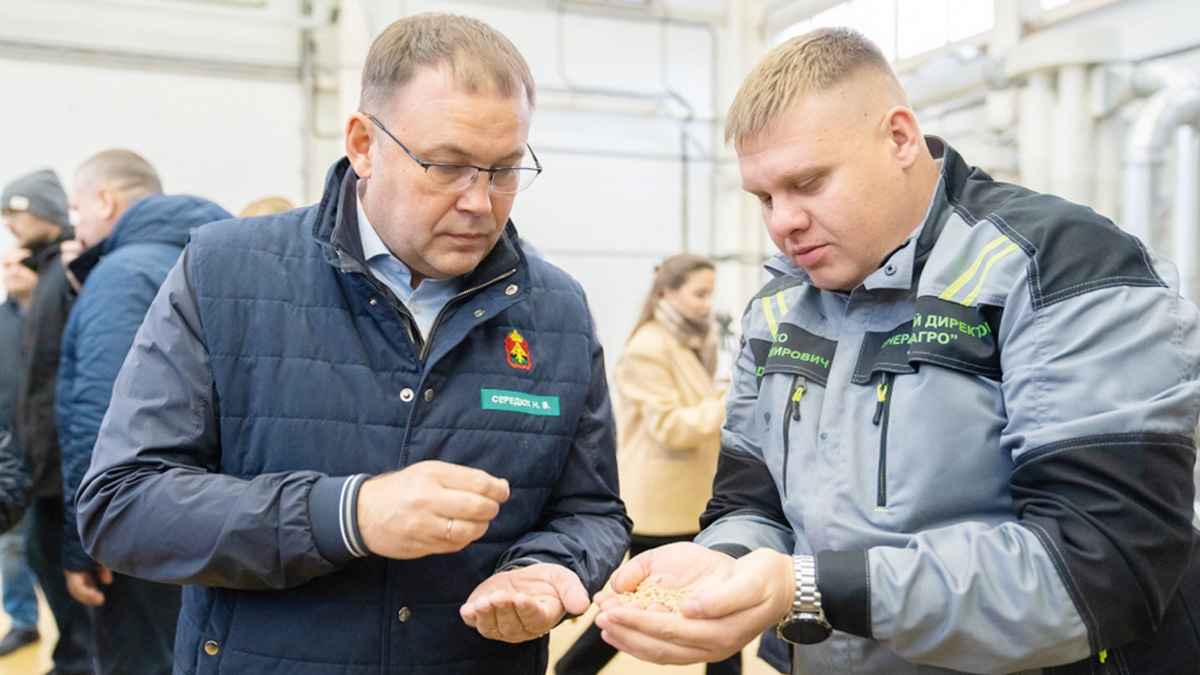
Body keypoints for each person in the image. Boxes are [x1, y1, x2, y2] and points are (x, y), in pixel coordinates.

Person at [593, 27, 1200, 675]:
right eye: (764, 197)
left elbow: (1103, 560)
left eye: (809, 182)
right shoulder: (777, 307)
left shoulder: (1059, 267)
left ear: (900, 138)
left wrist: (808, 587)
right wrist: (726, 560)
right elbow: (751, 502)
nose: (782, 222)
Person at [75, 12, 630, 675]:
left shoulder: (556, 312)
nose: (480, 201)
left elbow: (591, 509)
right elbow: (122, 503)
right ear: (364, 144)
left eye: (505, 170)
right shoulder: (225, 273)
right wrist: (347, 513)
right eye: (448, 165)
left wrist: (549, 568)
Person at [58, 149, 230, 674]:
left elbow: (98, 414)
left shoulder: (120, 275)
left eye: (77, 209)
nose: (78, 225)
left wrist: (82, 539)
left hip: (144, 525)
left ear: (106, 200)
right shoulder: (232, 256)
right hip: (228, 522)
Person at [556, 254, 739, 675]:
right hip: (661, 508)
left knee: (717, 609)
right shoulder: (648, 348)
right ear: (669, 292)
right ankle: (568, 670)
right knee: (626, 613)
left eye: (710, 293)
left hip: (692, 501)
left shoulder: (689, 343)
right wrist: (726, 403)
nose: (707, 303)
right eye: (699, 293)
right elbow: (672, 428)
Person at [1, 169, 95, 675]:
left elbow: (69, 378)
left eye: (16, 211)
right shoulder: (47, 272)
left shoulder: (66, 271)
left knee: (68, 579)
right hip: (40, 463)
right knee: (42, 565)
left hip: (63, 465)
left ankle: (75, 662)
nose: (10, 223)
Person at [0, 246, 40, 657]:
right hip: (9, 457)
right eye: (5, 265)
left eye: (18, 263)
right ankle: (24, 621)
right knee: (11, 547)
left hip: (55, 455)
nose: (10, 271)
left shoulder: (57, 313)